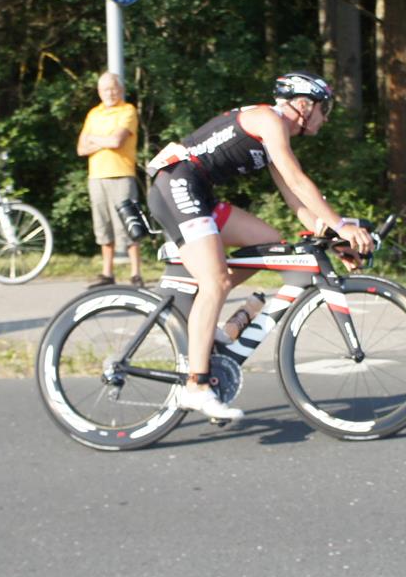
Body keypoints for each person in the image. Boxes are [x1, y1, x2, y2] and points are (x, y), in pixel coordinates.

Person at [143, 71, 373, 422]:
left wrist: (334, 238)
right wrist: (342, 224)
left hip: (197, 192)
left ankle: (204, 313)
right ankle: (196, 386)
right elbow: (298, 180)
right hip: (177, 183)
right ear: (303, 105)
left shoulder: (274, 135)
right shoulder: (269, 120)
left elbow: (296, 200)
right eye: (323, 109)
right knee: (216, 281)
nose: (325, 118)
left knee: (268, 243)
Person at [76, 69, 145, 287]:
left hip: (121, 174)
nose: (110, 93)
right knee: (102, 224)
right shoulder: (93, 114)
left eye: (113, 88)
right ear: (99, 91)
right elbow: (81, 148)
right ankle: (107, 273)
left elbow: (117, 141)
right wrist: (104, 140)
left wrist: (95, 140)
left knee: (128, 222)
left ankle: (136, 273)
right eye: (105, 89)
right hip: (97, 176)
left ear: (120, 90)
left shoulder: (127, 110)